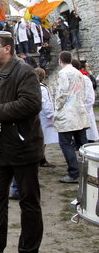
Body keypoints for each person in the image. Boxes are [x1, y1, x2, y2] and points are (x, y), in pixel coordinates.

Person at [0, 30, 43, 253]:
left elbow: (31, 104)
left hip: (24, 148)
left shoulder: (25, 72)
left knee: (29, 202)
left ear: (7, 49)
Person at [53, 51, 90, 183]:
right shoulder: (79, 73)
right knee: (82, 144)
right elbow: (83, 92)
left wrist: (57, 108)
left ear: (60, 60)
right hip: (79, 111)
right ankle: (88, 170)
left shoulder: (64, 73)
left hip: (68, 113)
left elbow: (62, 93)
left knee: (65, 143)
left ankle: (74, 173)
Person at [34, 68, 58, 167]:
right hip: (43, 116)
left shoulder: (33, 87)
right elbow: (46, 103)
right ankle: (41, 159)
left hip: (38, 115)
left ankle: (40, 158)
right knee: (42, 139)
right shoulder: (42, 88)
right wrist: (50, 115)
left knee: (40, 139)